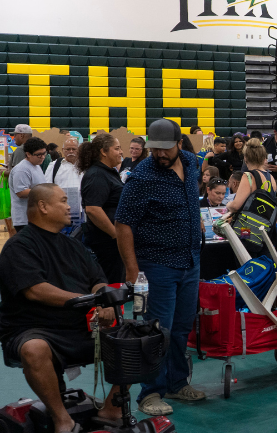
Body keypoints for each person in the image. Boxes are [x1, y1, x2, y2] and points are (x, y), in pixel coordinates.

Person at [0, 184, 126, 433]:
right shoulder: (18, 246)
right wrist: (87, 300)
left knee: (146, 335)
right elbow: (35, 290)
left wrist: (105, 299)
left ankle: (111, 409)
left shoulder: (74, 246)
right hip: (33, 328)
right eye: (63, 201)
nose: (70, 207)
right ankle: (62, 420)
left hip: (78, 327)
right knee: (34, 349)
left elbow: (97, 280)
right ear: (43, 206)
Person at [114, 118, 206, 416]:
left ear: (180, 144)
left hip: (190, 261)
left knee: (180, 329)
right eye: (155, 149)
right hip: (157, 265)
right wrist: (132, 271)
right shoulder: (142, 177)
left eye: (166, 149)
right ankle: (150, 393)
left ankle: (177, 384)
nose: (160, 154)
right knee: (156, 331)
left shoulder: (190, 163)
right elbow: (123, 224)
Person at [78, 134, 125, 283]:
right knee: (111, 282)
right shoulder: (97, 175)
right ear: (104, 152)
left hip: (113, 242)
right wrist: (115, 234)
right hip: (106, 242)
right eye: (117, 148)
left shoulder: (108, 172)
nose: (121, 152)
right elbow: (93, 209)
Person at [225, 138, 277, 213]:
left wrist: (228, 204)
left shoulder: (248, 176)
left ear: (245, 158)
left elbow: (236, 206)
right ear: (263, 158)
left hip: (251, 218)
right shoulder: (270, 177)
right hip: (266, 218)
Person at [9, 137, 49, 232]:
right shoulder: (22, 169)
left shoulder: (36, 166)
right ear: (28, 154)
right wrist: (45, 192)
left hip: (36, 217)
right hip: (25, 219)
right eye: (38, 154)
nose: (42, 157)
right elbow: (21, 192)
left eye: (44, 153)